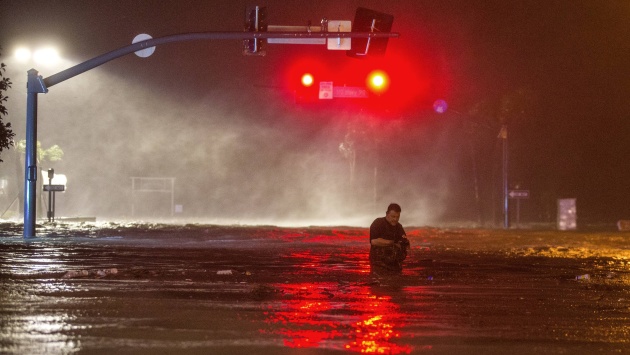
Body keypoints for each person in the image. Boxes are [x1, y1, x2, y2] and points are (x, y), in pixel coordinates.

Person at [369, 203, 410, 273]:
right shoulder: (378, 223)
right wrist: (392, 242)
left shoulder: (399, 227)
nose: (395, 219)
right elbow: (374, 241)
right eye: (393, 216)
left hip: (395, 265)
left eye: (397, 217)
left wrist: (404, 246)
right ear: (387, 214)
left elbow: (405, 243)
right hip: (378, 264)